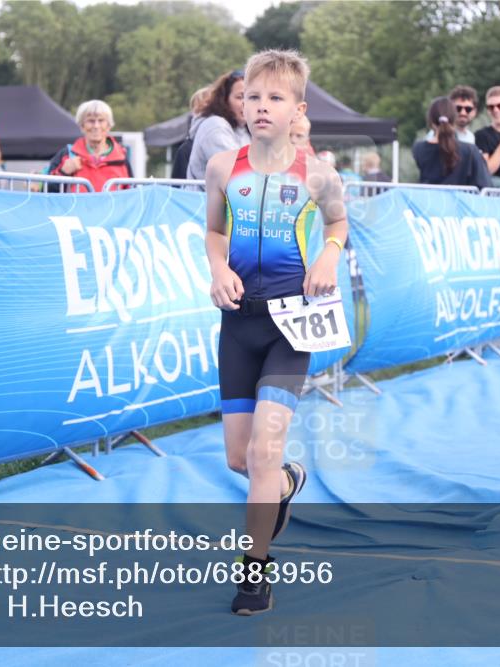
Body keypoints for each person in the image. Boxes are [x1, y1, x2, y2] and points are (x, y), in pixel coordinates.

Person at [204, 48, 348, 615]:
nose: (261, 106)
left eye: (275, 98)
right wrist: (217, 269)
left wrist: (329, 256)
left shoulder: (318, 174)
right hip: (238, 326)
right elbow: (215, 233)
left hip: (292, 326)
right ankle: (287, 482)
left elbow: (338, 223)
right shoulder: (223, 168)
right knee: (241, 460)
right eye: (253, 97)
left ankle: (254, 572)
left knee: (263, 450)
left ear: (298, 110)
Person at [48, 99, 132, 192]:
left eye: (101, 120)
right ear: (81, 126)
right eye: (91, 121)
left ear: (109, 126)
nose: (96, 126)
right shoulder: (67, 154)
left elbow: (132, 195)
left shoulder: (121, 158)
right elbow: (47, 192)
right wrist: (63, 172)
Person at [412, 96, 491, 189]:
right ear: (454, 120)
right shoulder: (470, 151)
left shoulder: (418, 149)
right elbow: (485, 186)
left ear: (431, 121)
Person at [187, 69, 249, 181]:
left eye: (252, 97)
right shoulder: (214, 126)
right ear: (224, 99)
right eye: (240, 97)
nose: (246, 103)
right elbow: (237, 172)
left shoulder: (245, 129)